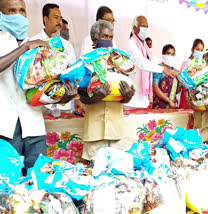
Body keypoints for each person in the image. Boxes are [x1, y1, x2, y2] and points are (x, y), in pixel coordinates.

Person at [0, 0, 76, 174]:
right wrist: (24, 48)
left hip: (33, 125)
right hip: (4, 128)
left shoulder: (38, 45)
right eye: (12, 11)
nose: (19, 15)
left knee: (38, 180)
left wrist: (64, 96)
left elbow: (46, 85)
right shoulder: (29, 45)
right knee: (7, 183)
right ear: (1, 15)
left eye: (22, 11)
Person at [78, 20, 135, 160]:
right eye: (104, 37)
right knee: (94, 175)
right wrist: (95, 97)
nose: (108, 41)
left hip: (117, 133)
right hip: (95, 134)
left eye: (110, 37)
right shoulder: (87, 63)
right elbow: (83, 97)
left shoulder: (120, 62)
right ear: (94, 40)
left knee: (119, 176)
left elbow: (127, 94)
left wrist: (127, 96)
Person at [31, 3, 81, 114]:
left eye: (61, 18)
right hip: (41, 104)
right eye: (55, 17)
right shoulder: (33, 42)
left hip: (65, 103)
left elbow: (74, 74)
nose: (59, 22)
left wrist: (77, 98)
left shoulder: (67, 45)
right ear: (45, 19)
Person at [124, 15, 179, 109]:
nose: (145, 29)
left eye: (146, 27)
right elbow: (141, 62)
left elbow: (153, 62)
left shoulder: (144, 46)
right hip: (133, 100)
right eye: (143, 26)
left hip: (143, 100)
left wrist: (173, 71)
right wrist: (162, 69)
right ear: (135, 28)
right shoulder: (131, 44)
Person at [153, 44, 181, 109]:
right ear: (163, 54)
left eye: (172, 54)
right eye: (168, 53)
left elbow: (177, 91)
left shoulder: (175, 70)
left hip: (173, 106)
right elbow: (155, 88)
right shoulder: (158, 69)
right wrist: (168, 101)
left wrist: (179, 79)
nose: (170, 56)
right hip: (160, 105)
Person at [179, 39, 205, 109]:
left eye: (201, 50)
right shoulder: (186, 62)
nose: (199, 52)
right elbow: (181, 78)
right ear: (192, 49)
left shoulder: (203, 63)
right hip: (187, 91)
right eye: (197, 49)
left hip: (199, 92)